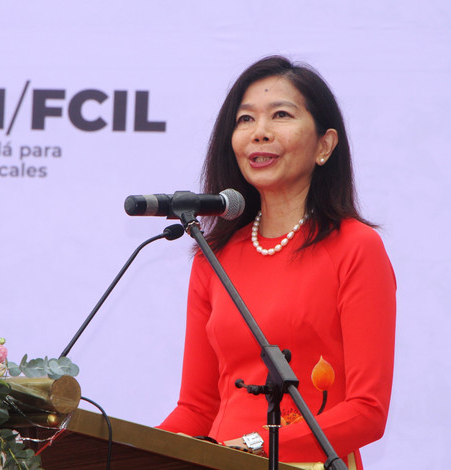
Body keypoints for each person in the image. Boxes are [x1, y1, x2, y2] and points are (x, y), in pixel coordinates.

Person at [158, 56, 396, 470]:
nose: (260, 132)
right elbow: (196, 409)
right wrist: (126, 450)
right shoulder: (213, 255)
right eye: (245, 119)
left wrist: (250, 448)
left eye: (281, 115)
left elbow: (367, 411)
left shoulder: (356, 247)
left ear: (324, 145)